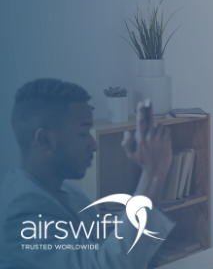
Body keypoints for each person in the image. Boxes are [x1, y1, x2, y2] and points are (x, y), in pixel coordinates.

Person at [0, 79, 175, 269]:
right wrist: (153, 174)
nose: (94, 145)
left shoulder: (70, 192)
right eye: (84, 133)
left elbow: (103, 253)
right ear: (45, 140)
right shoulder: (20, 211)